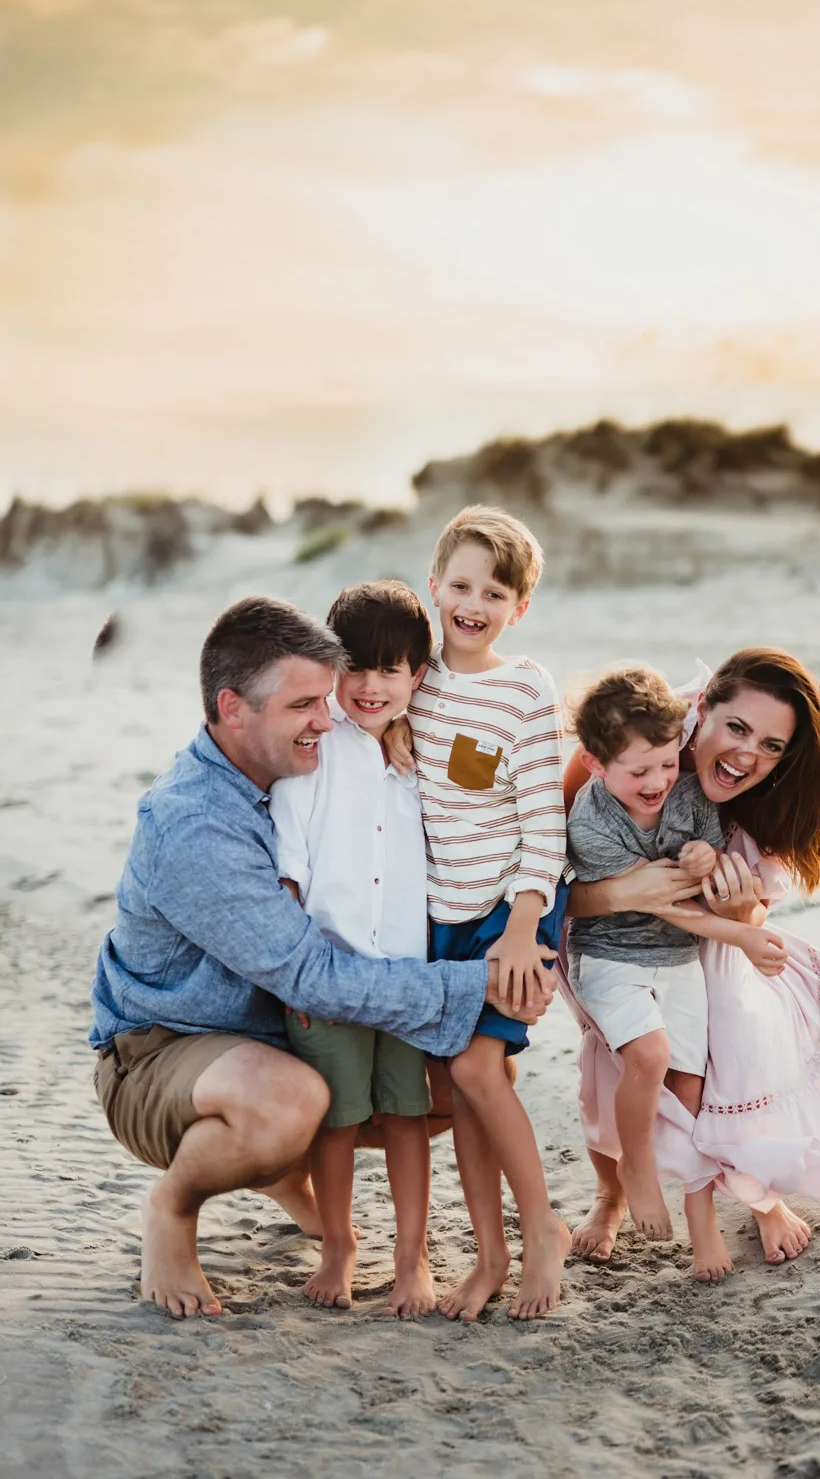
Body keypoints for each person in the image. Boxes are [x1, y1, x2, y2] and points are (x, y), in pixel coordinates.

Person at [89, 595, 547, 1320]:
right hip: (160, 1054)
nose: (327, 717)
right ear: (233, 709)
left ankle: (278, 1171)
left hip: (269, 1037)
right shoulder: (195, 825)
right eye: (304, 704)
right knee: (290, 1104)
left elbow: (496, 797)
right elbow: (312, 977)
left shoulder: (307, 767)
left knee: (463, 1082)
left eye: (323, 696)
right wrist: (477, 983)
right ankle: (171, 1209)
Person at [562, 647, 820, 1280]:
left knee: (733, 1030)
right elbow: (550, 882)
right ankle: (613, 1192)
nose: (746, 755)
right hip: (606, 938)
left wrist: (739, 920)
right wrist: (628, 892)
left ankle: (757, 1189)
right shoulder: (631, 734)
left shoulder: (756, 797)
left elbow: (753, 911)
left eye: (770, 746)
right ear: (699, 711)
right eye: (736, 729)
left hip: (703, 934)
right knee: (621, 1058)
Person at [565, 665, 788, 1264]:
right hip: (612, 958)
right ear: (595, 764)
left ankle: (699, 1209)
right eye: (640, 772)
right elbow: (663, 902)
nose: (660, 781)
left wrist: (702, 854)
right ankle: (632, 1172)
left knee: (689, 1085)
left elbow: (706, 859)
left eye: (667, 764)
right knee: (649, 1057)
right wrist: (736, 936)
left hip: (679, 959)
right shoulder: (591, 820)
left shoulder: (687, 789)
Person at [409, 505, 571, 1321]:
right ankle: (490, 1255)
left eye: (495, 592)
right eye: (461, 585)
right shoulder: (415, 681)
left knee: (475, 1069)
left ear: (519, 608)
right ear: (434, 585)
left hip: (511, 908)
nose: (474, 604)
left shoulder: (523, 688)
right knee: (464, 1079)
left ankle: (541, 1231)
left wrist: (521, 923)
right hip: (437, 914)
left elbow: (545, 822)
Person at [271, 581, 437, 1318]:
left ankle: (412, 1255)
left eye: (390, 670)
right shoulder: (312, 752)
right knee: (336, 1119)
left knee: (406, 1115)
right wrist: (295, 982)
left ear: (417, 678)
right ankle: (338, 1242)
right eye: (356, 668)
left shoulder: (417, 756)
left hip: (405, 973)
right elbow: (289, 875)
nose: (371, 685)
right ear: (330, 667)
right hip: (329, 973)